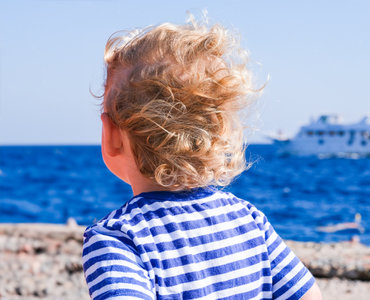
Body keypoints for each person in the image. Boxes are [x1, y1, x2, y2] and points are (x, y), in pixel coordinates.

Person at [82, 19, 322, 300]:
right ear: (220, 131)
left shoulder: (119, 240)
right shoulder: (248, 219)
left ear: (111, 136)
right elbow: (309, 296)